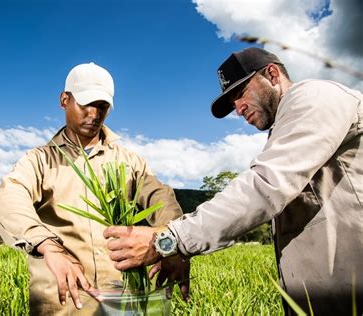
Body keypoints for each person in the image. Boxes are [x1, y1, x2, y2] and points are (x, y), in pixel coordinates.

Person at [104, 47, 362, 315]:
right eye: (232, 104)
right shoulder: (286, 128)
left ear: (272, 74)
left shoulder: (316, 98)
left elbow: (265, 187)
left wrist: (167, 240)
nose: (238, 110)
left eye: (240, 94)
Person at [0, 62, 190, 315]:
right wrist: (49, 247)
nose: (94, 114)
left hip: (122, 299)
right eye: (86, 104)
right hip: (63, 300)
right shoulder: (39, 161)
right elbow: (9, 196)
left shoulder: (129, 161)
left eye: (102, 106)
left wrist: (172, 245)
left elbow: (162, 199)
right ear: (64, 100)